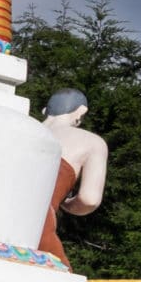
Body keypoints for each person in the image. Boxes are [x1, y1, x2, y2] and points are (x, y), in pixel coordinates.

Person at [36, 88, 109, 268]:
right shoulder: (92, 142)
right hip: (38, 222)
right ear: (81, 111)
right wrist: (66, 204)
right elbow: (89, 199)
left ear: (46, 111)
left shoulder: (20, 128)